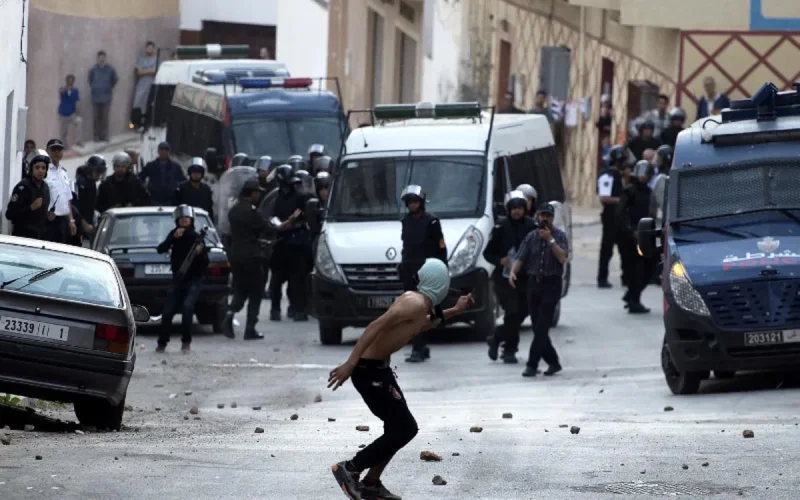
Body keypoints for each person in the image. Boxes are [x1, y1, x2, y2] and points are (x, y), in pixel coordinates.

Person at [328, 258, 474, 500]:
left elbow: (424, 325)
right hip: (368, 372)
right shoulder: (413, 302)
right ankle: (350, 468)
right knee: (405, 428)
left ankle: (372, 483)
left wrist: (456, 311)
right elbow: (375, 326)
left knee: (397, 428)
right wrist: (350, 364)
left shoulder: (421, 305)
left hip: (379, 372)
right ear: (439, 284)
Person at [508, 203, 569, 377]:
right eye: (542, 215)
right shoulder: (531, 236)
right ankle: (553, 362)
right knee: (537, 326)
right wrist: (513, 272)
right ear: (537, 217)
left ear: (552, 218)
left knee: (542, 326)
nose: (545, 219)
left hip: (552, 284)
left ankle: (532, 364)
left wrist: (550, 240)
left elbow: (562, 258)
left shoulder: (559, 236)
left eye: (548, 216)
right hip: (534, 284)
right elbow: (521, 257)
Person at [484, 190, 537, 363]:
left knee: (523, 311)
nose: (516, 211)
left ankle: (497, 337)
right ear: (508, 209)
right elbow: (487, 253)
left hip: (525, 277)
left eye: (520, 208)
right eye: (513, 208)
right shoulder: (501, 227)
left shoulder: (532, 226)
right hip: (504, 278)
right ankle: (510, 350)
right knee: (512, 311)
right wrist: (501, 260)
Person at [399, 185, 448, 363]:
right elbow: (406, 246)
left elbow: (441, 248)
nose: (412, 205)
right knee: (412, 310)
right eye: (409, 202)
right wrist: (402, 265)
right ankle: (421, 346)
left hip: (427, 269)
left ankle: (418, 348)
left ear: (421, 202)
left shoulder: (432, 221)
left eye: (415, 201)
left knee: (421, 310)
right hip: (410, 269)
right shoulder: (405, 221)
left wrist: (442, 270)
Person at [155, 205, 209, 353]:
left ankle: (186, 342)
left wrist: (200, 253)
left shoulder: (196, 237)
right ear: (177, 220)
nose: (184, 220)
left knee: (187, 307)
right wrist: (173, 238)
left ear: (192, 220)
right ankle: (162, 343)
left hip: (194, 279)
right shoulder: (174, 234)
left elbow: (205, 262)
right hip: (178, 279)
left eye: (187, 218)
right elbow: (160, 249)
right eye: (182, 218)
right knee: (167, 312)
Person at [222, 179, 268, 340]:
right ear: (252, 193)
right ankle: (250, 329)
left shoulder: (234, 210)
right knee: (256, 291)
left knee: (241, 289)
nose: (258, 196)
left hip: (236, 255)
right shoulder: (251, 212)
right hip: (251, 256)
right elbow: (265, 227)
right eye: (257, 193)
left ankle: (229, 314)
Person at [269, 165, 312, 321]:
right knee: (276, 279)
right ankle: (275, 309)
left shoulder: (300, 198)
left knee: (297, 278)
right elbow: (269, 216)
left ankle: (297, 308)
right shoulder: (274, 198)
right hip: (280, 242)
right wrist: (276, 225)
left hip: (296, 242)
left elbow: (305, 216)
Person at [618, 160, 654, 314]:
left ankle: (631, 295)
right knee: (636, 269)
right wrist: (631, 230)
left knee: (650, 268)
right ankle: (634, 300)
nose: (642, 176)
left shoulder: (649, 192)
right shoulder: (629, 191)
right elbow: (621, 213)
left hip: (646, 234)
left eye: (645, 173)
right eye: (641, 173)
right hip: (630, 237)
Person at [596, 145, 630, 289]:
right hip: (610, 217)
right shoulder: (607, 175)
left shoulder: (620, 176)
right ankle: (602, 278)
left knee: (625, 248)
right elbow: (604, 197)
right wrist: (621, 200)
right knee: (607, 249)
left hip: (621, 217)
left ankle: (626, 277)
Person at [6, 150, 51, 240]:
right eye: (37, 167)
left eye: (43, 168)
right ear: (30, 168)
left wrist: (49, 217)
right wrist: (30, 208)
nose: (40, 171)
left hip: (40, 237)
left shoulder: (45, 187)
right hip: (23, 237)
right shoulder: (23, 187)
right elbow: (10, 214)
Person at [44, 139, 77, 244]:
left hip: (63, 220)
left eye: (59, 149)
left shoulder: (63, 172)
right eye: (53, 149)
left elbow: (67, 199)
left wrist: (71, 220)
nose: (57, 152)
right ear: (47, 151)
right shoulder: (44, 171)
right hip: (49, 219)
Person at [88, 50, 118, 142]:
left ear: (105, 58)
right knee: (96, 118)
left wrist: (108, 87)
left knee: (105, 117)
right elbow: (90, 80)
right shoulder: (93, 69)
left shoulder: (110, 69)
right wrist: (95, 87)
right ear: (98, 58)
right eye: (100, 57)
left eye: (103, 57)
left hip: (106, 97)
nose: (101, 58)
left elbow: (115, 80)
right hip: (96, 97)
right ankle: (96, 136)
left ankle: (104, 136)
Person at [74, 155, 106, 241]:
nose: (99, 175)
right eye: (98, 172)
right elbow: (76, 207)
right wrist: (84, 224)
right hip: (80, 226)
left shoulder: (92, 183)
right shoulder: (83, 184)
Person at [132, 41, 158, 130]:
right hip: (141, 85)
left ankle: (146, 125)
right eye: (148, 48)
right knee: (138, 103)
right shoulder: (141, 59)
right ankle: (137, 125)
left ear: (153, 49)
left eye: (151, 48)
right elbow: (138, 72)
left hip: (151, 85)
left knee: (149, 104)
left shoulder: (156, 59)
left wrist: (145, 70)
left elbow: (155, 71)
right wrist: (149, 70)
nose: (149, 49)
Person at [58, 75, 83, 149]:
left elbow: (77, 102)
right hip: (63, 114)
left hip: (72, 114)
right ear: (66, 81)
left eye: (71, 81)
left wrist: (78, 113)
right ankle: (64, 146)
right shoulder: (62, 89)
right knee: (63, 132)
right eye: (69, 80)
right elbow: (61, 92)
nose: (70, 82)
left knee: (79, 123)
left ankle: (78, 141)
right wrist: (67, 89)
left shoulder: (75, 90)